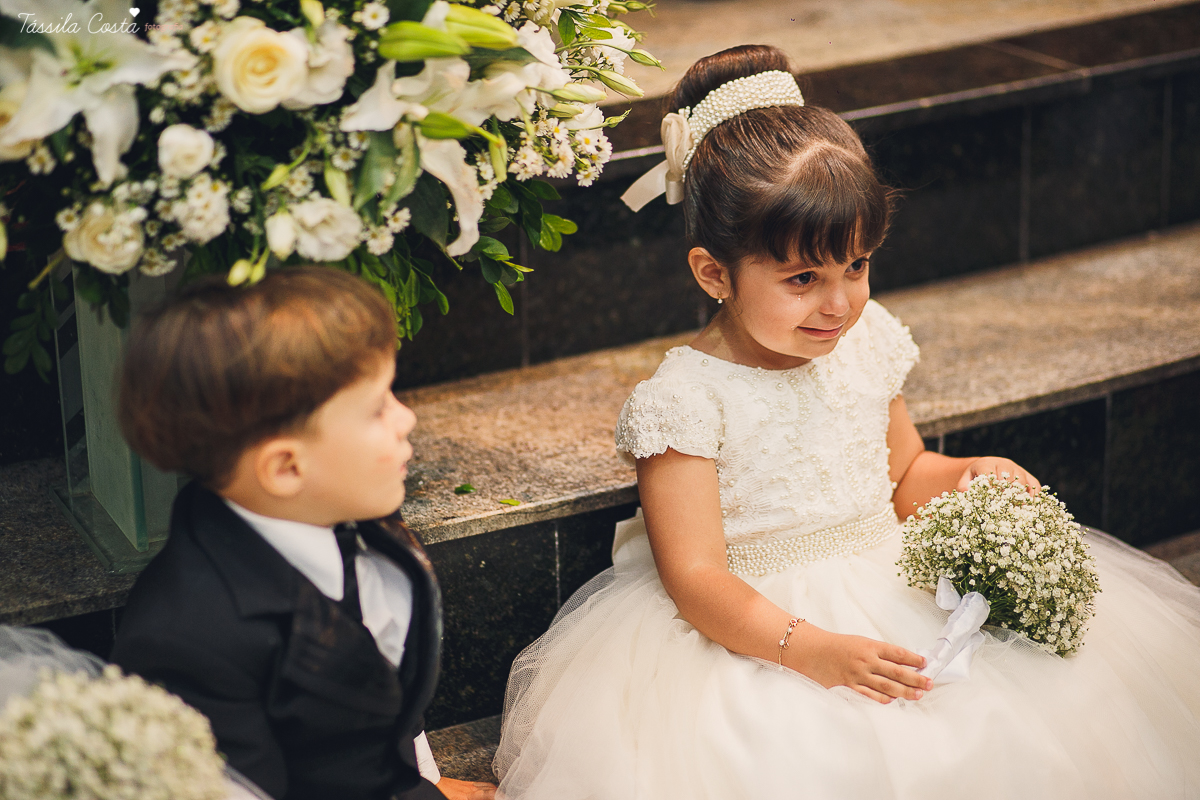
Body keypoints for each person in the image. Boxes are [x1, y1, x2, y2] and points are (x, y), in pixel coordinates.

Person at [493, 45, 1200, 799]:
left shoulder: (864, 344)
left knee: (1037, 705)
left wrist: (964, 478)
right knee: (822, 755)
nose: (838, 304)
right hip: (760, 625)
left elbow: (902, 473)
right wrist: (813, 650)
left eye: (856, 267)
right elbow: (696, 578)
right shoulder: (685, 401)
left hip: (890, 578)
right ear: (713, 273)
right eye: (803, 279)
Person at [110, 267, 495, 800]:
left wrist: (422, 781)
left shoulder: (349, 518)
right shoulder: (189, 641)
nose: (406, 418)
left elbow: (374, 688)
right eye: (377, 407)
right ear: (287, 468)